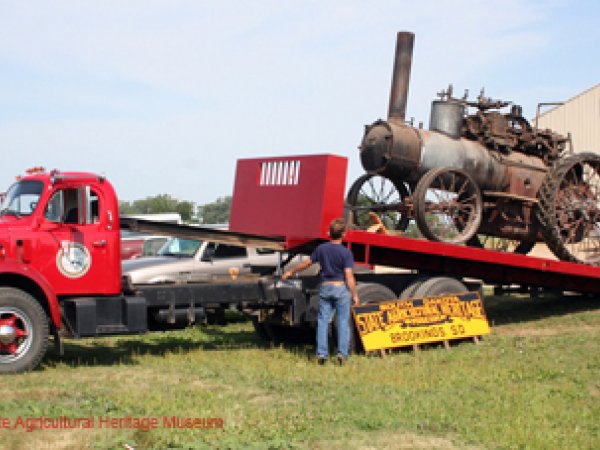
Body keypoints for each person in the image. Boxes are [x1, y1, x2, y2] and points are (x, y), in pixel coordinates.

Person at [282, 218, 360, 365]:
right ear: (344, 234)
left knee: (323, 322)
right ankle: (342, 354)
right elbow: (349, 276)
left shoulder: (322, 249)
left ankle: (322, 354)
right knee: (343, 322)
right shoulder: (346, 253)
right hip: (340, 288)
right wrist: (355, 295)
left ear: (329, 233)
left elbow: (306, 263)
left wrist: (290, 272)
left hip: (325, 287)